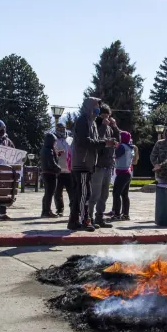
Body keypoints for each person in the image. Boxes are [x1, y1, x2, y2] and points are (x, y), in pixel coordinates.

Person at [69, 97, 113, 231]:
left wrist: (106, 142)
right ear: (90, 106)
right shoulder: (83, 120)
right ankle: (85, 220)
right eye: (96, 105)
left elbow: (95, 140)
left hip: (88, 163)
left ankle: (73, 221)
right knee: (84, 194)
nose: (98, 108)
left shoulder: (92, 121)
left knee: (79, 195)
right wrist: (104, 143)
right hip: (82, 163)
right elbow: (85, 142)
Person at [89, 105, 116, 229]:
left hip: (108, 165)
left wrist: (114, 127)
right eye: (103, 115)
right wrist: (104, 125)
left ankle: (99, 218)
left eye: (108, 115)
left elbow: (119, 138)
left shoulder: (110, 128)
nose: (106, 117)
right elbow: (97, 140)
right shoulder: (95, 126)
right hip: (98, 165)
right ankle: (88, 218)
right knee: (95, 194)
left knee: (104, 195)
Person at [0, 119, 15, 221]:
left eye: (3, 128)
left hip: (4, 169)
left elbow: (13, 151)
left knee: (3, 191)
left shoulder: (7, 140)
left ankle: (2, 213)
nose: (2, 130)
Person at [111, 130, 134, 220]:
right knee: (124, 195)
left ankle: (116, 214)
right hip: (127, 172)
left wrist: (113, 147)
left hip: (121, 173)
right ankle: (125, 214)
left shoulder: (121, 147)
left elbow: (114, 155)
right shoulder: (130, 147)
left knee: (116, 193)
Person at [40, 127, 61, 218]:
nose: (55, 143)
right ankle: (47, 211)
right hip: (50, 174)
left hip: (45, 173)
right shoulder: (49, 150)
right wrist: (58, 168)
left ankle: (45, 210)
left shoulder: (44, 149)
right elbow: (51, 163)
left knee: (47, 193)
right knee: (49, 193)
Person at [53, 121, 72, 216]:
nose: (61, 130)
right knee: (57, 192)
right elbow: (51, 152)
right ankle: (59, 209)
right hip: (58, 169)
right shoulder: (53, 139)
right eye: (59, 129)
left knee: (72, 191)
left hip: (69, 170)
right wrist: (56, 153)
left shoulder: (70, 139)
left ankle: (73, 208)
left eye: (63, 128)